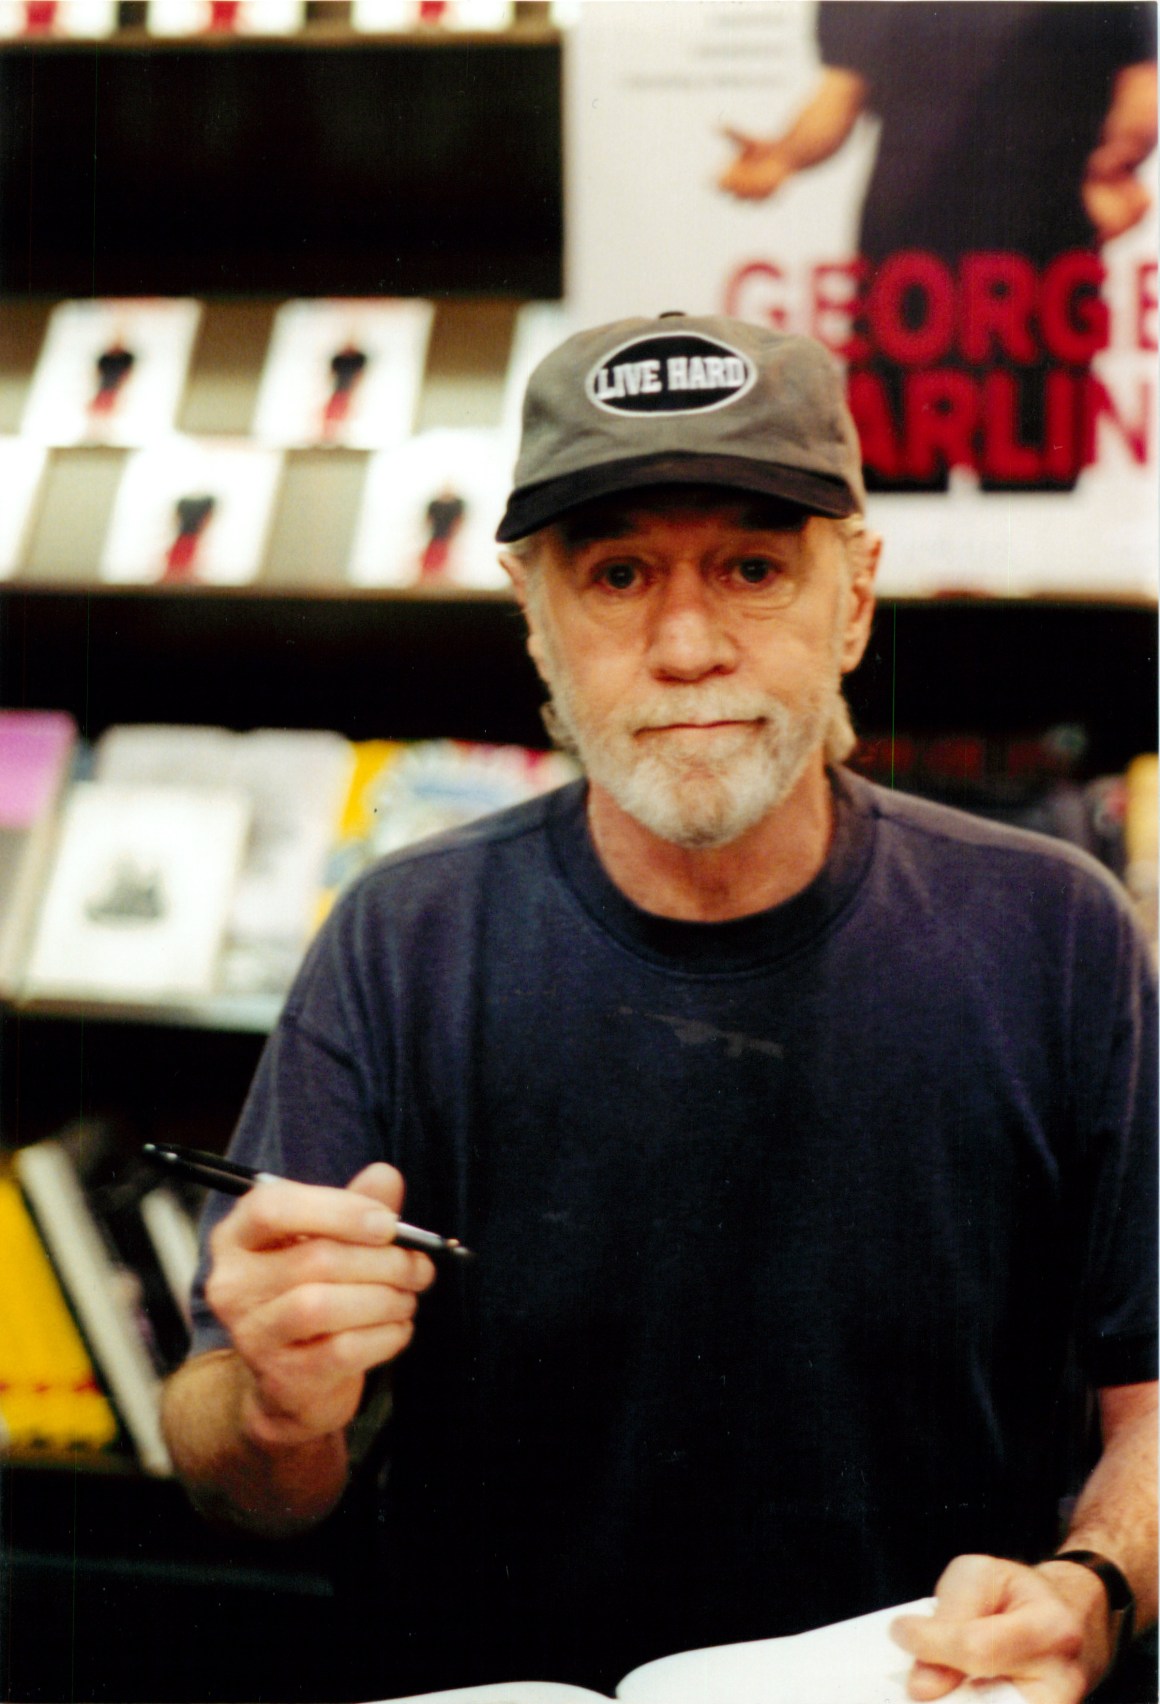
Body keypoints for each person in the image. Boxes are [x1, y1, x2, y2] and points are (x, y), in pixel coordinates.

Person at [160, 314, 1157, 1703]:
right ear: (533, 612)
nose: (688, 646)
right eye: (618, 573)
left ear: (856, 595)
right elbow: (234, 1479)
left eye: (754, 567)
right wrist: (271, 1401)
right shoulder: (401, 941)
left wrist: (1095, 1590)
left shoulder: (1056, 933)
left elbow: (1152, 1396)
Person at [718, 3, 1158, 493]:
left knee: (1022, 453)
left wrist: (1115, 167)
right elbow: (841, 95)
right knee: (910, 451)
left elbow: (1140, 90)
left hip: (1029, 245)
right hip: (922, 252)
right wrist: (782, 157)